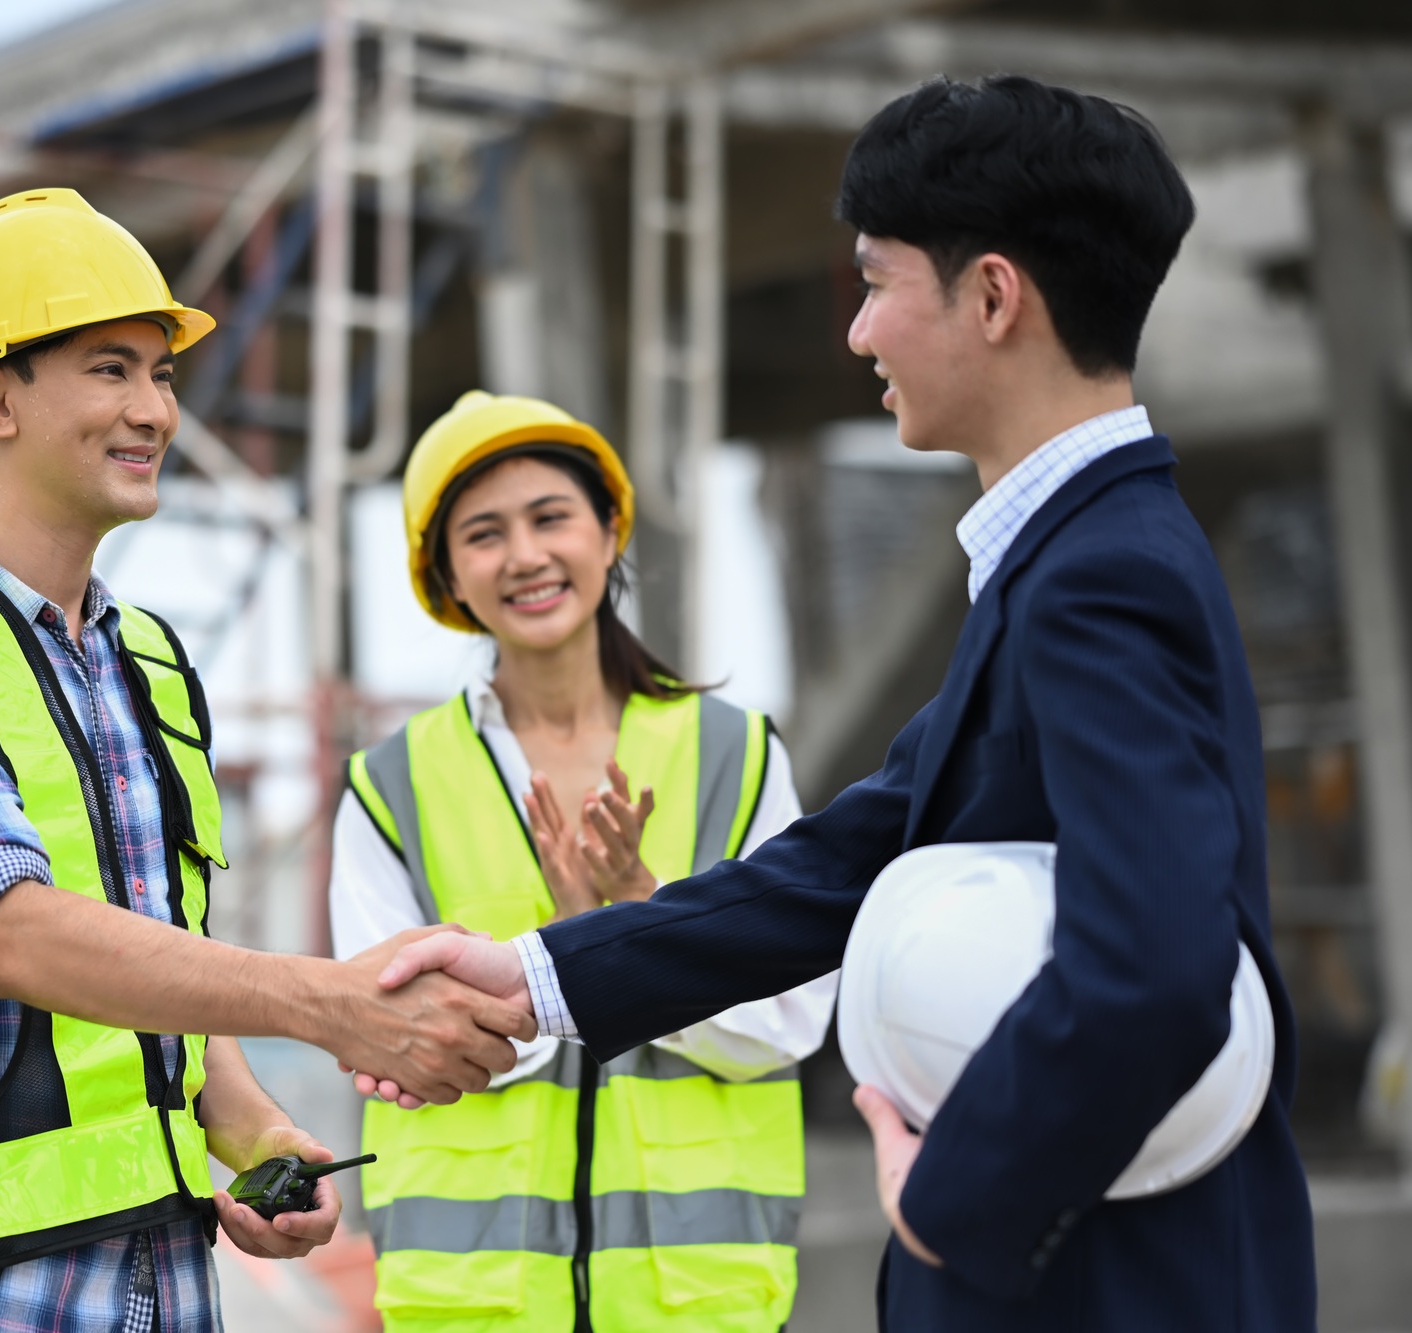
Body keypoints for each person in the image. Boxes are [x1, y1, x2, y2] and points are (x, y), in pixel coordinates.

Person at [358, 77, 1317, 1332]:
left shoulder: (1101, 576)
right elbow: (850, 856)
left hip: (1103, 1281)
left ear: (989, 296)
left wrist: (952, 1202)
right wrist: (534, 973)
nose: (855, 333)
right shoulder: (1068, 560)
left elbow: (1152, 974)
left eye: (873, 283)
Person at [0, 189, 530, 1333]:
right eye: (109, 370)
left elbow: (161, 954)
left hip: (159, 1292)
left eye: (161, 374)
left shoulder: (148, 659)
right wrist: (327, 1002)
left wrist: (249, 1126)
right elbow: (15, 933)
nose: (154, 411)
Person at [330, 391, 838, 1332]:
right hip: (473, 1307)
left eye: (551, 517)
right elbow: (388, 1033)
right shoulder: (390, 785)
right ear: (447, 577)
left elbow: (791, 1022)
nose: (524, 555)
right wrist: (579, 953)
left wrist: (639, 914)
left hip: (698, 1304)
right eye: (483, 533)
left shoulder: (739, 755)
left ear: (609, 533)